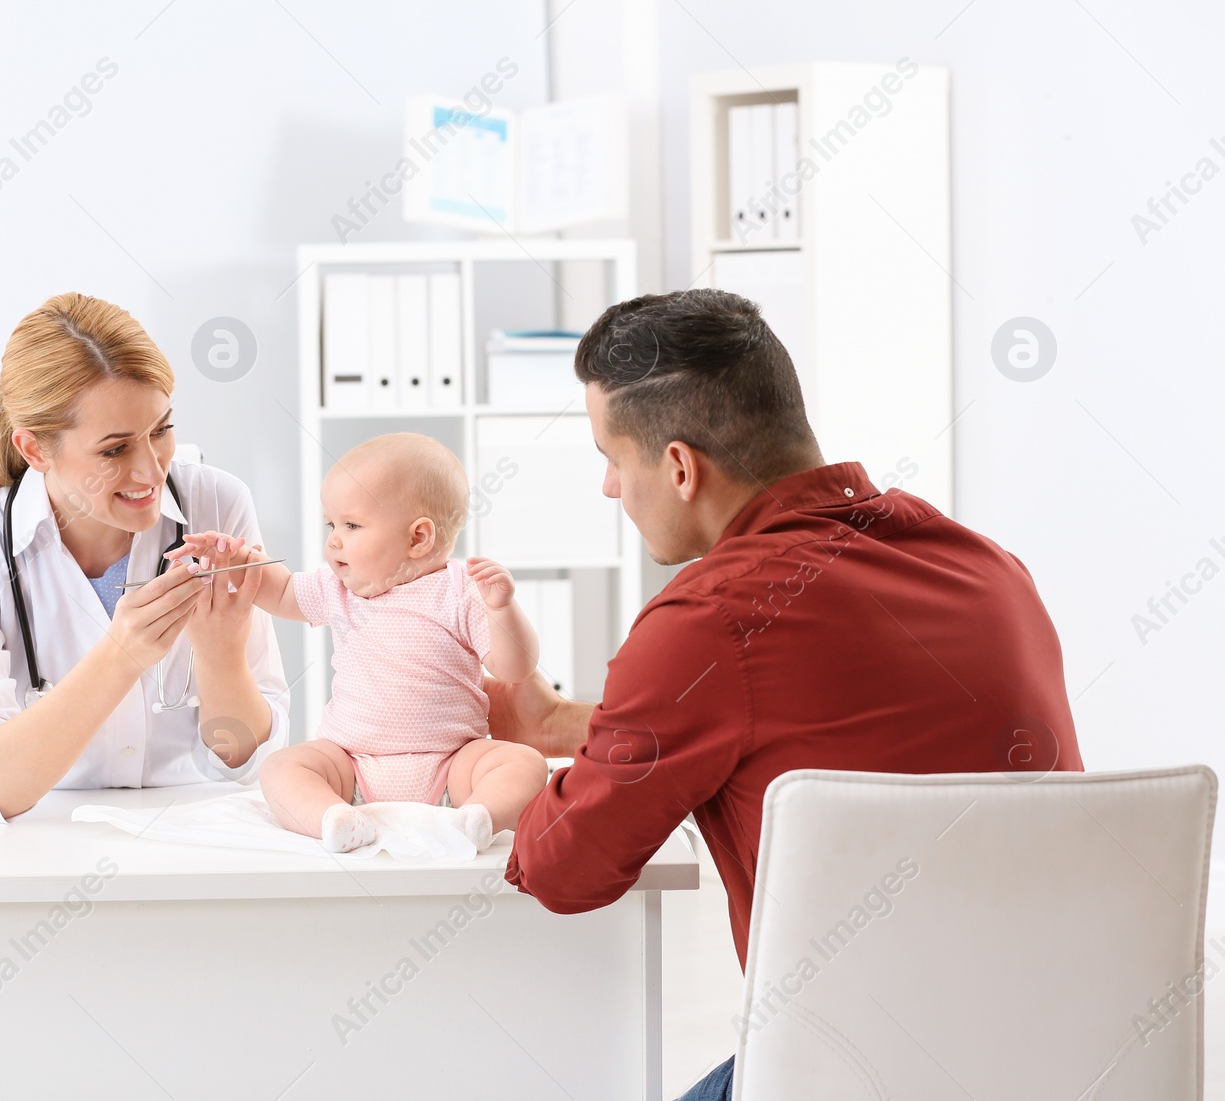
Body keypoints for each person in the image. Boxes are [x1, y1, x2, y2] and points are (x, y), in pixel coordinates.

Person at [491, 289, 1084, 1101]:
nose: (608, 489)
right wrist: (562, 721)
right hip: (1063, 1057)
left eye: (611, 457)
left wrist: (499, 772)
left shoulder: (707, 621)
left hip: (849, 1073)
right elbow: (812, 711)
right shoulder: (988, 569)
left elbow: (564, 869)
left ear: (678, 466)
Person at [0, 292, 289, 822]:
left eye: (161, 430)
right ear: (34, 450)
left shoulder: (217, 505)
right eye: (115, 449)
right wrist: (122, 655)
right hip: (46, 847)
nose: (150, 470)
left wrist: (220, 654)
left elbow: (247, 763)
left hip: (194, 836)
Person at [167, 433, 549, 853]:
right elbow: (279, 592)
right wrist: (236, 561)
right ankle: (333, 818)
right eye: (331, 524)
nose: (333, 539)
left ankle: (477, 818)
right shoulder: (340, 589)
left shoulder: (460, 591)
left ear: (418, 538)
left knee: (523, 763)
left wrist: (503, 609)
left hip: (453, 765)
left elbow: (516, 668)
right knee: (282, 768)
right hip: (351, 768)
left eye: (351, 525)